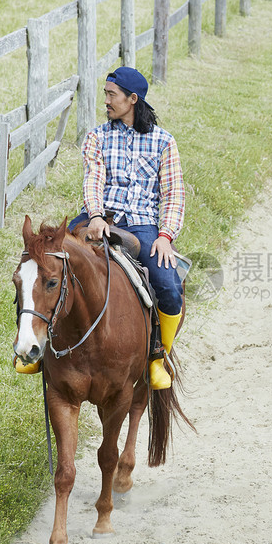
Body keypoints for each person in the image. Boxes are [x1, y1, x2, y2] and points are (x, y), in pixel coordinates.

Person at [69, 67, 185, 390]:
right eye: (105, 94)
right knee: (49, 256)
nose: (105, 101)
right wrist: (93, 215)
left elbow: (174, 194)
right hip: (100, 217)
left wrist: (165, 236)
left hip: (143, 225)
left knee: (168, 286)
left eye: (111, 95)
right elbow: (94, 178)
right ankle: (36, 346)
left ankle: (158, 356)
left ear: (132, 100)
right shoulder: (97, 137)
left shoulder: (164, 143)